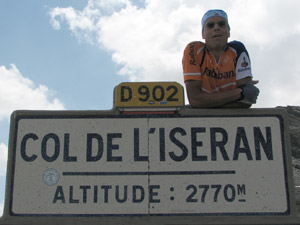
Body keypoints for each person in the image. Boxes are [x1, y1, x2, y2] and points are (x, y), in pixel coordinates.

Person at [182, 9, 259, 108]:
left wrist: (206, 103)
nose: (216, 28)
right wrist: (239, 93)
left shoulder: (238, 49)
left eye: (221, 24)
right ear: (203, 34)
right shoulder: (193, 50)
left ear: (228, 32)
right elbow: (195, 100)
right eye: (210, 25)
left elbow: (246, 101)